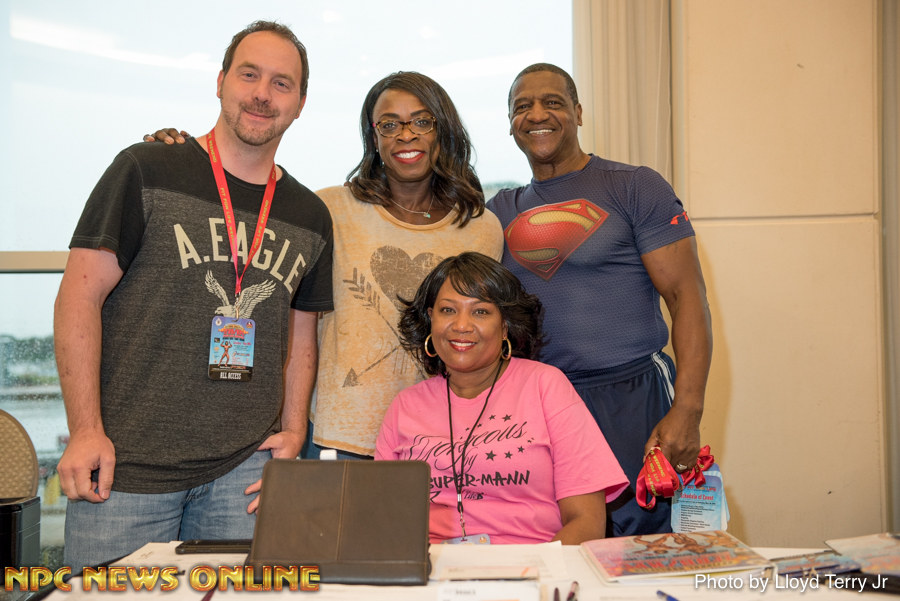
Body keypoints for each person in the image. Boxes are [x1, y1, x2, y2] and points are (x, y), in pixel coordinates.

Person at [54, 21, 333, 570]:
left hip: (244, 473)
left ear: (300, 103)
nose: (262, 94)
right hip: (124, 469)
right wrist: (85, 430)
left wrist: (294, 430)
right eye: (249, 75)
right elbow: (78, 299)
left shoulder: (309, 215)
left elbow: (302, 336)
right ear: (221, 81)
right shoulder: (145, 169)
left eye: (282, 83)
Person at [147, 72, 503, 460]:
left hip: (441, 441)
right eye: (389, 124)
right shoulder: (329, 210)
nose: (405, 134)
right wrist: (185, 159)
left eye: (421, 121)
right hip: (334, 438)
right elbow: (241, 212)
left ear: (443, 130)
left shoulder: (481, 228)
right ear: (373, 137)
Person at [487, 63, 713, 536]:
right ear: (510, 123)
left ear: (578, 112)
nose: (537, 114)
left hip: (631, 395)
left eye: (552, 102)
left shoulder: (635, 186)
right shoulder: (498, 212)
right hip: (542, 404)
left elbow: (687, 297)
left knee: (649, 547)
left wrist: (688, 409)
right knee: (559, 544)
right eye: (522, 106)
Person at [375, 252, 628, 544]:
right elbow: (382, 521)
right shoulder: (405, 406)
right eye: (448, 310)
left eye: (480, 312)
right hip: (431, 565)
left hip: (534, 563)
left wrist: (535, 570)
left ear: (505, 325)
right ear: (431, 319)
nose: (461, 325)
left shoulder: (546, 386)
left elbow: (587, 522)